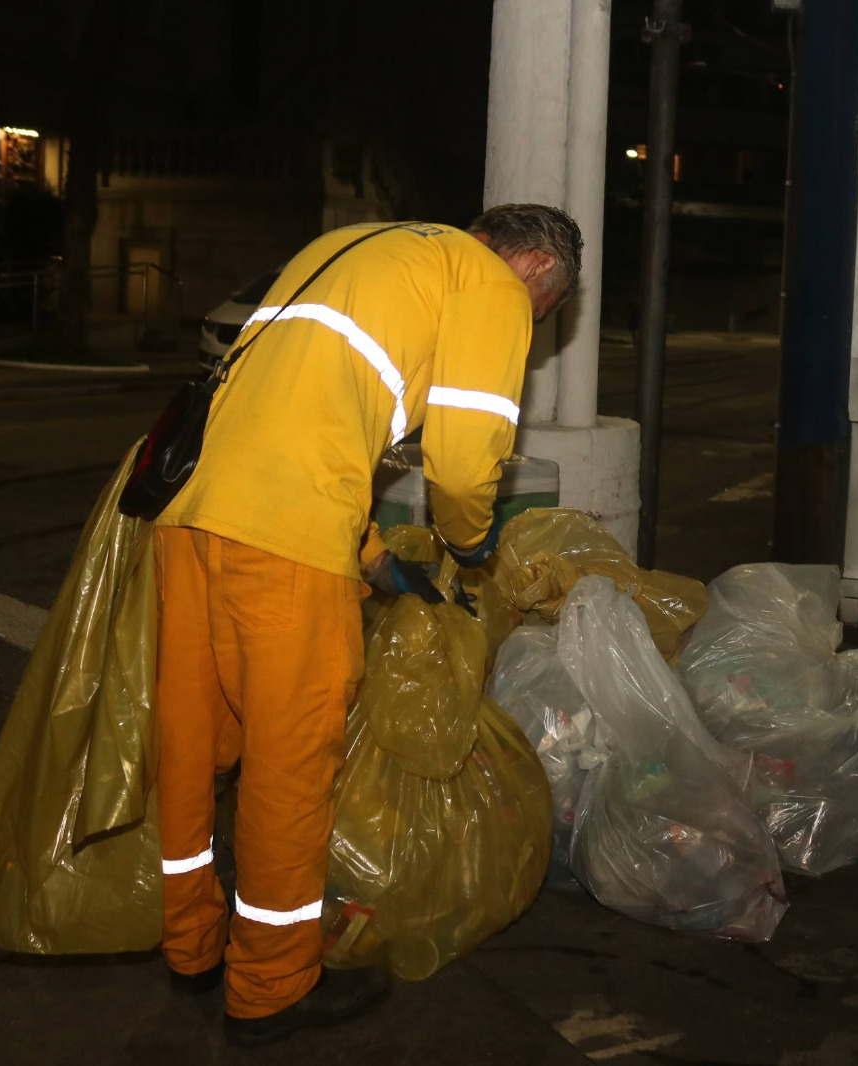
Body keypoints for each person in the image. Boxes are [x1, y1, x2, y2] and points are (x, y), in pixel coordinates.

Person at [150, 204, 582, 1047]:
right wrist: (470, 539)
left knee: (194, 740)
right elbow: (462, 462)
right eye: (544, 312)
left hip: (190, 519)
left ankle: (190, 943)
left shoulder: (356, 247)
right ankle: (270, 988)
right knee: (291, 759)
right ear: (534, 268)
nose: (529, 323)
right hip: (286, 544)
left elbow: (298, 417)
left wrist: (378, 555)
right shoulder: (489, 285)